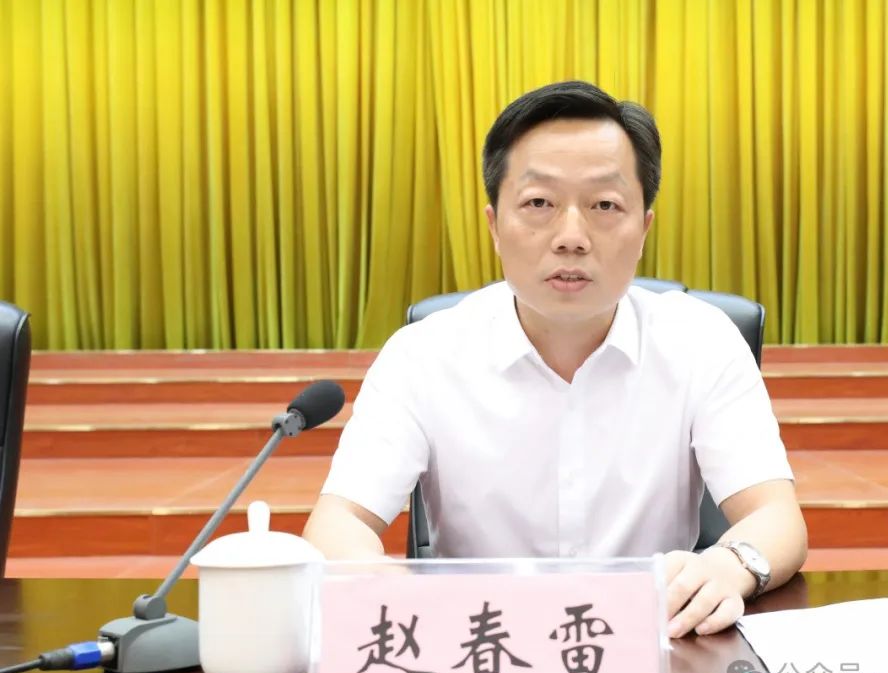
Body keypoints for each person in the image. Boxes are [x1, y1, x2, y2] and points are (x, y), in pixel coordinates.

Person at [303, 80, 807, 638]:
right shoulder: (421, 355)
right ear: (495, 225)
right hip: (481, 647)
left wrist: (729, 566)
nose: (571, 237)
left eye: (605, 205)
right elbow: (338, 522)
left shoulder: (701, 341)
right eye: (539, 203)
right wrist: (374, 578)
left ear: (644, 228)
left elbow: (776, 516)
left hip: (652, 643)